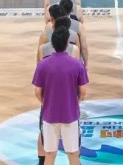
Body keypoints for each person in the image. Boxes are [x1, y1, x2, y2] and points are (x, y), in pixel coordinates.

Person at [32, 26, 88, 165]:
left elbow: (37, 92)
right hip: (70, 115)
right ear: (67, 43)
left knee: (50, 154)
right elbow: (82, 91)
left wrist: (46, 104)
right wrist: (74, 103)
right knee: (73, 154)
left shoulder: (43, 65)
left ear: (52, 44)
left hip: (49, 116)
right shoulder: (77, 64)